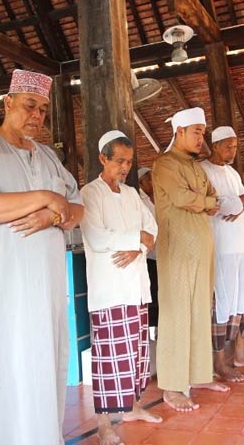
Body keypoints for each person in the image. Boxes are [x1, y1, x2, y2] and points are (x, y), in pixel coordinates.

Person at [0, 69, 84, 444]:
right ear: (7, 103)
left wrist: (53, 213)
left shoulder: (48, 157)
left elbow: (77, 208)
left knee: (41, 371)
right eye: (29, 106)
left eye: (42, 109)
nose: (37, 116)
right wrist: (46, 199)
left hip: (44, 295)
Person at [80, 130, 162, 445]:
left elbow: (151, 229)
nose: (124, 167)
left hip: (137, 286)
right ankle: (103, 424)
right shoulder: (90, 193)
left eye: (128, 161)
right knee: (110, 356)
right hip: (110, 289)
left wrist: (139, 246)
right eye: (119, 161)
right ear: (103, 158)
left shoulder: (132, 194)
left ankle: (133, 407)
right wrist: (135, 240)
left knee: (137, 354)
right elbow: (98, 238)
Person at [153, 107, 227, 412]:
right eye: (196, 131)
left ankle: (197, 374)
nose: (201, 138)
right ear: (180, 131)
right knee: (176, 313)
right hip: (178, 249)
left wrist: (206, 202)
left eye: (202, 132)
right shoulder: (164, 163)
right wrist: (207, 202)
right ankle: (171, 386)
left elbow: (211, 199)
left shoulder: (196, 167)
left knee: (199, 310)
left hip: (201, 246)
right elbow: (186, 199)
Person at [200, 126, 244, 382]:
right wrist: (238, 202)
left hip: (242, 244)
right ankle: (219, 362)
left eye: (235, 146)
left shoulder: (233, 172)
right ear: (214, 145)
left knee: (243, 298)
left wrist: (243, 202)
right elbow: (213, 205)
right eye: (228, 146)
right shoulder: (203, 170)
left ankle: (240, 353)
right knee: (223, 300)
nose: (232, 150)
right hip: (221, 245)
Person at [138, 167, 159, 329]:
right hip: (148, 254)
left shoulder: (155, 198)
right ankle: (151, 327)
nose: (153, 182)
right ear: (141, 182)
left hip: (159, 253)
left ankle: (157, 326)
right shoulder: (138, 198)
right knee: (151, 290)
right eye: (149, 179)